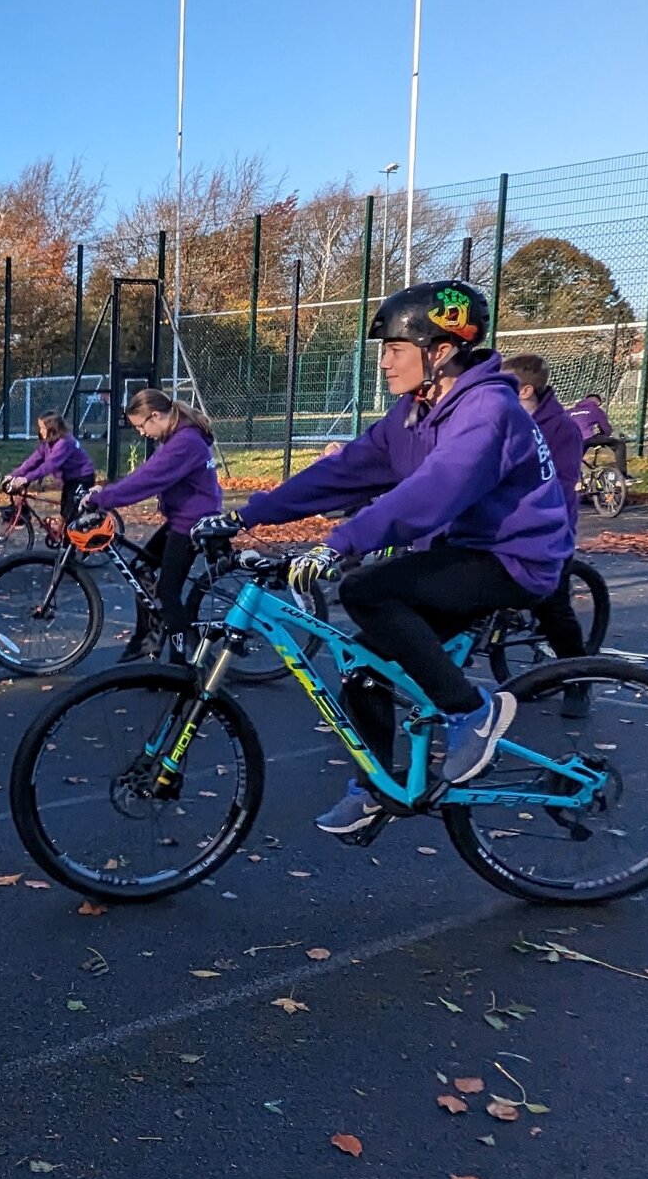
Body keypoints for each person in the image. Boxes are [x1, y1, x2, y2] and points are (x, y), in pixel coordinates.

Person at [197, 281, 571, 835]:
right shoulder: (415, 411)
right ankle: (378, 788)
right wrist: (249, 515)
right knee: (362, 665)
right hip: (458, 552)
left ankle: (473, 712)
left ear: (439, 351)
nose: (384, 363)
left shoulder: (487, 409)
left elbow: (435, 490)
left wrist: (341, 543)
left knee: (366, 590)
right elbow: (345, 471)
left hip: (513, 560)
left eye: (395, 349)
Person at [84, 388, 220, 660]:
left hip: (192, 523)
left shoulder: (185, 442)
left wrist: (105, 499)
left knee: (169, 593)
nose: (141, 433)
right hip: (183, 518)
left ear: (155, 416)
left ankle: (180, 663)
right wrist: (105, 492)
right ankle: (148, 638)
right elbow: (145, 472)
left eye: (140, 426)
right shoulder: (176, 437)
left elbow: (149, 480)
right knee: (142, 567)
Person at [506, 356, 591, 712]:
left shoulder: (561, 429)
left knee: (554, 608)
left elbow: (560, 484)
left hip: (547, 533)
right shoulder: (502, 419)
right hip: (500, 529)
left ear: (525, 389)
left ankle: (578, 682)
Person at [2, 412, 97, 524]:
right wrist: (14, 475)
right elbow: (32, 461)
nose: (40, 431)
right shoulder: (48, 443)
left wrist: (26, 479)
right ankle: (65, 537)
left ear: (53, 429)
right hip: (70, 479)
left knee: (71, 514)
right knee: (65, 512)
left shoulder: (64, 443)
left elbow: (49, 466)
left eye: (43, 428)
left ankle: (77, 538)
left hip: (82, 477)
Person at [566, 390, 629, 481]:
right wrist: (605, 436)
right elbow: (606, 429)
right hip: (589, 437)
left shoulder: (569, 412)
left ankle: (577, 482)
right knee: (619, 444)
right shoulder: (596, 410)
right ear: (598, 402)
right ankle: (623, 476)